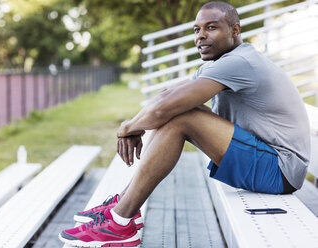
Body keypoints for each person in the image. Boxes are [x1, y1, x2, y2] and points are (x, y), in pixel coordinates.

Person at [58, 1, 311, 247]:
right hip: (264, 160)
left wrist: (126, 128)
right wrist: (135, 124)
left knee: (181, 116)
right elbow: (165, 96)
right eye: (196, 29)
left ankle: (120, 221)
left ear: (235, 30)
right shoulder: (221, 64)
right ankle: (122, 206)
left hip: (280, 170)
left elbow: (163, 107)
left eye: (211, 27)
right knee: (177, 110)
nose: (200, 36)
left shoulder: (240, 62)